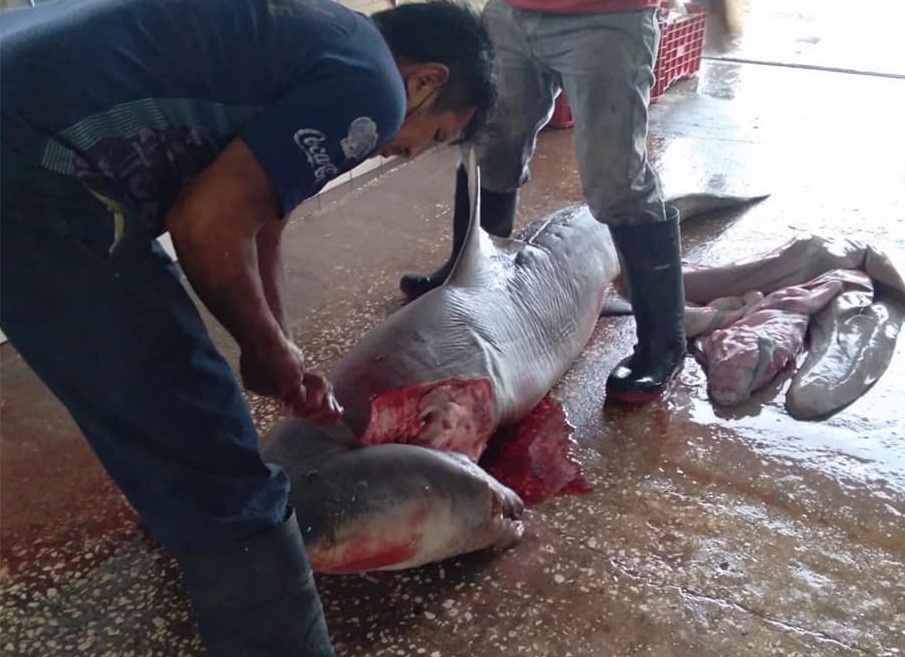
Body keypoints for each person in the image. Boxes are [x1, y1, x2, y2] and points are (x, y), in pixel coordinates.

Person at [0, 0, 495, 655]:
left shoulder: (317, 36)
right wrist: (261, 350)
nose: (407, 152)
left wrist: (280, 344)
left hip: (27, 125)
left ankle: (179, 509)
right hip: (36, 171)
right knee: (218, 462)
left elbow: (261, 216)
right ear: (425, 81)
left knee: (155, 399)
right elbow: (205, 223)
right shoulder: (372, 86)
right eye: (432, 136)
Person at [399, 0, 686, 404]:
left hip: (607, 16)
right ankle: (467, 273)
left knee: (614, 175)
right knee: (489, 147)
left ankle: (663, 345)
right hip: (511, 12)